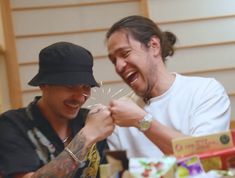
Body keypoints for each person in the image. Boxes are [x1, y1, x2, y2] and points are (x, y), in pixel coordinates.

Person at [105, 15, 231, 158]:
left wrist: (142, 121)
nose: (119, 66)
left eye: (125, 53)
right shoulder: (121, 113)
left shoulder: (205, 90)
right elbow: (117, 171)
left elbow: (205, 158)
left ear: (154, 46)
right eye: (114, 60)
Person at [0, 42, 114, 178]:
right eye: (70, 85)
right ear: (44, 85)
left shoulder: (88, 120)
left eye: (86, 86)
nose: (80, 98)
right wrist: (87, 136)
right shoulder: (12, 125)